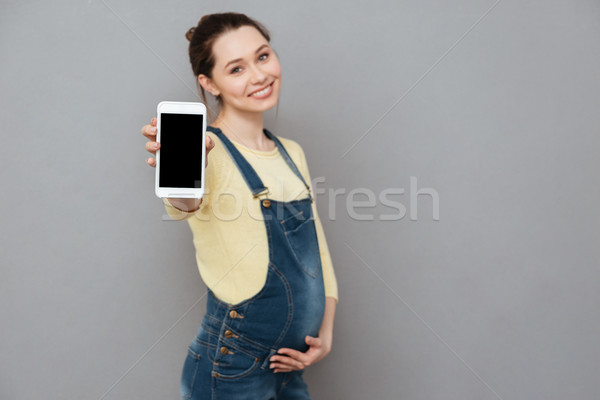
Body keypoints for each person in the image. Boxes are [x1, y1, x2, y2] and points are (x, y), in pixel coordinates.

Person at [141, 12, 338, 400]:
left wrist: (326, 331)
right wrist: (186, 168)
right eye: (236, 68)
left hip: (289, 367)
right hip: (231, 368)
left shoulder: (291, 152)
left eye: (262, 56)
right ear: (209, 82)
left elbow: (318, 252)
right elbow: (186, 203)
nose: (259, 75)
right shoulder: (207, 152)